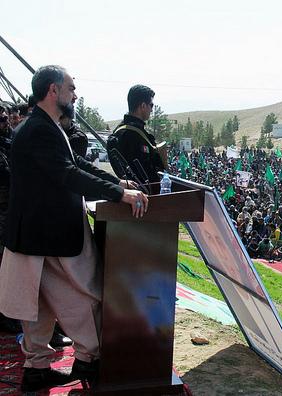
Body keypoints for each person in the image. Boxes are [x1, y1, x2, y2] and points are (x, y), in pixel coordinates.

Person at [0, 65, 148, 392]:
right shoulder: (40, 129)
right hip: (47, 235)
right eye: (71, 88)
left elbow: (75, 164)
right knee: (81, 297)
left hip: (37, 235)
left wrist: (115, 181)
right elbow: (67, 174)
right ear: (53, 91)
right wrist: (119, 194)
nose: (75, 94)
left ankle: (37, 369)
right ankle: (88, 361)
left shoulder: (44, 126)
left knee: (37, 305)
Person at [109, 84, 165, 183]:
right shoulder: (133, 135)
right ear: (143, 106)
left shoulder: (119, 132)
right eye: (151, 105)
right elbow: (147, 173)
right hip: (145, 193)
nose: (152, 110)